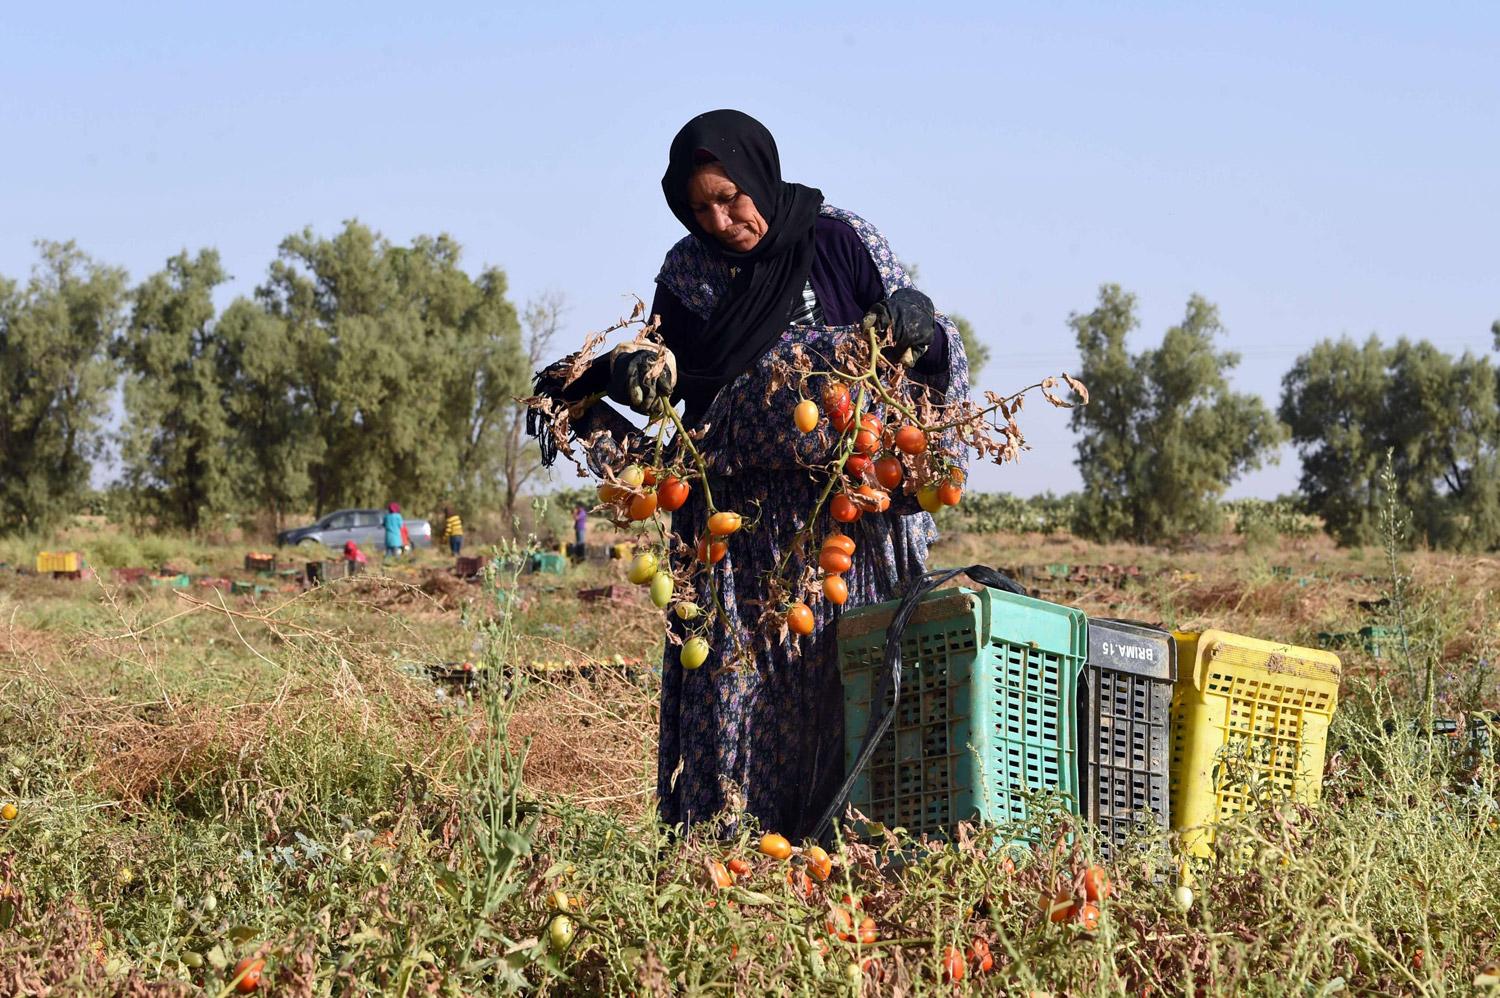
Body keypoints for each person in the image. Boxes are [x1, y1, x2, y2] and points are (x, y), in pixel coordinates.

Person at [529, 109, 968, 840]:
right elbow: (671, 379)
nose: (723, 219)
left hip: (849, 526)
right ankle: (735, 859)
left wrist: (921, 321)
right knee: (743, 707)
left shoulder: (840, 239)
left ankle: (857, 856)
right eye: (701, 208)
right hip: (739, 537)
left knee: (850, 693)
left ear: (760, 173)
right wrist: (632, 371)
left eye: (731, 196)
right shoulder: (689, 273)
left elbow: (922, 350)